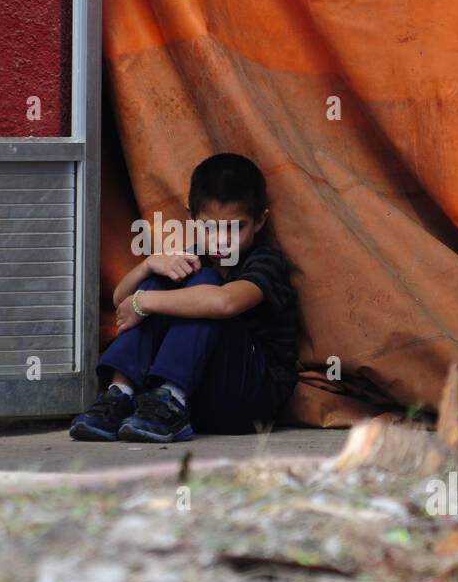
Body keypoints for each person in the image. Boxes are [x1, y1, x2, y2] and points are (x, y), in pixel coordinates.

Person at [69, 153, 299, 443]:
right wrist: (149, 264)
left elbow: (223, 303)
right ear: (190, 217)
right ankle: (121, 394)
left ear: (259, 221)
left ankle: (171, 398)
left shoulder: (267, 263)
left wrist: (145, 302)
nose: (221, 240)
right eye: (209, 227)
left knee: (201, 288)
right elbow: (121, 301)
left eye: (235, 227)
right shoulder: (193, 256)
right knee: (170, 274)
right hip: (198, 396)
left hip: (249, 400)